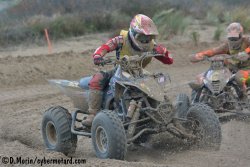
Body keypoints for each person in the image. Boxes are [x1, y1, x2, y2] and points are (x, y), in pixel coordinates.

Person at [82, 14, 173, 126]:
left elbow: (169, 60)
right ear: (133, 33)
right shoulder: (121, 40)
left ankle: (161, 110)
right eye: (142, 37)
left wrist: (164, 53)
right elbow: (105, 47)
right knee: (98, 78)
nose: (145, 41)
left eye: (148, 38)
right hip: (120, 69)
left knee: (156, 82)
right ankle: (93, 114)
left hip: (139, 72)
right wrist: (98, 56)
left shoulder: (153, 46)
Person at [190, 22, 250, 100]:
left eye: (235, 37)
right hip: (233, 67)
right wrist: (200, 55)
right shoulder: (227, 45)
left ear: (241, 34)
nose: (232, 39)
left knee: (239, 77)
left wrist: (246, 52)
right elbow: (213, 51)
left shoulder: (247, 40)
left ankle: (244, 97)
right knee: (218, 74)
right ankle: (223, 95)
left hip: (247, 68)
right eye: (230, 37)